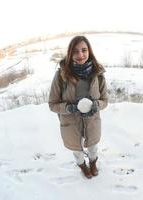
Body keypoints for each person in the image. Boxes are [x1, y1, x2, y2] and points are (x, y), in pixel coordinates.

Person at [48, 36, 108, 179]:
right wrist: (69, 108)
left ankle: (93, 162)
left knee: (93, 146)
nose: (80, 55)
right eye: (75, 51)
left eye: (84, 50)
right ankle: (82, 165)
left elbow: (105, 100)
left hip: (92, 122)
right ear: (70, 54)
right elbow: (52, 104)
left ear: (89, 51)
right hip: (71, 124)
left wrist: (96, 105)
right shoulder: (61, 76)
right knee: (77, 150)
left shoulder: (98, 75)